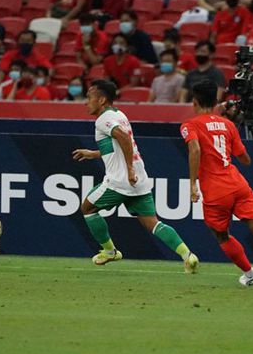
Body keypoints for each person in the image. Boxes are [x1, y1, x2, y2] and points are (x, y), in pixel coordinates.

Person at [72, 79, 199, 271]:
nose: (85, 102)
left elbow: (123, 138)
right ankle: (187, 255)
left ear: (102, 100)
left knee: (88, 208)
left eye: (89, 97)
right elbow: (121, 145)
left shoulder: (103, 119)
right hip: (138, 179)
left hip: (120, 180)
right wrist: (94, 154)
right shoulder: (119, 114)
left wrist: (129, 168)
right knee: (153, 223)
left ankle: (109, 251)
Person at [181, 80, 253, 287]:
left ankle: (251, 274)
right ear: (216, 101)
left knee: (221, 235)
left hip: (216, 190)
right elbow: (245, 159)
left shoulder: (190, 125)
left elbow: (195, 150)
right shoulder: (229, 125)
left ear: (194, 102)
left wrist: (192, 184)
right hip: (238, 184)